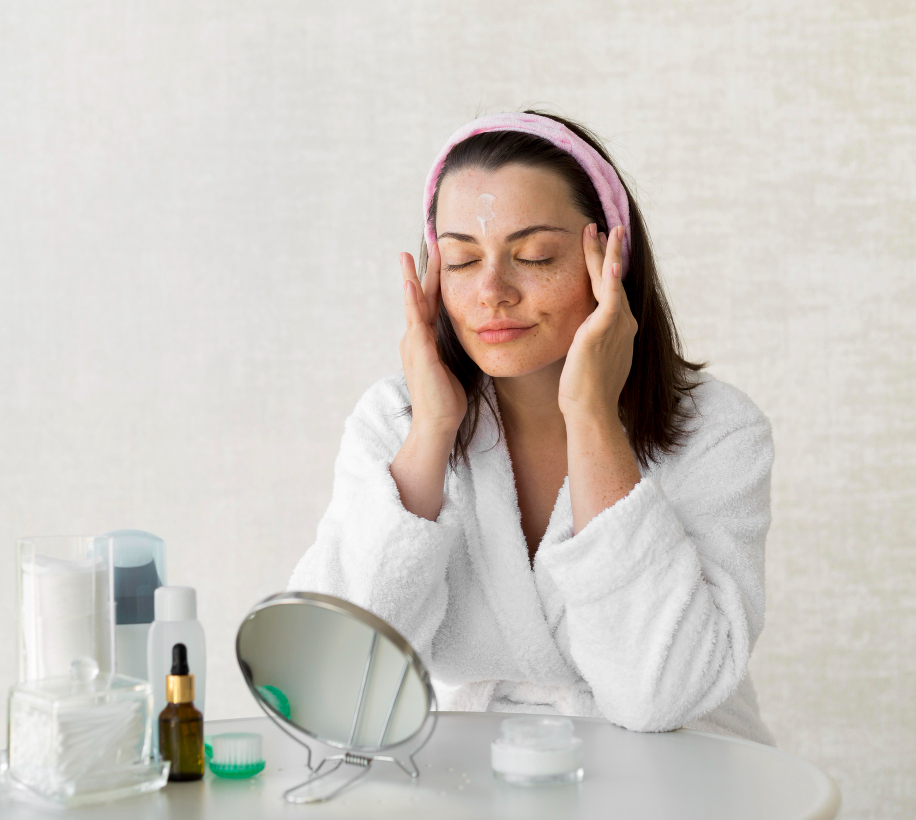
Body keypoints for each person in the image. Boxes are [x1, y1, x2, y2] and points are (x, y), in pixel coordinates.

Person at [288, 110, 777, 746]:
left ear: (612, 258)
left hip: (681, 778)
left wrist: (595, 418)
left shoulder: (716, 430)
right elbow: (333, 671)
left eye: (534, 255)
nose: (492, 291)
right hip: (471, 774)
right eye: (462, 260)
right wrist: (432, 429)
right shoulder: (394, 422)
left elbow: (660, 694)